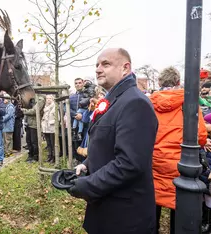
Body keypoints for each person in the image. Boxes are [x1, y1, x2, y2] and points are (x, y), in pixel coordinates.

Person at [67, 48, 158, 233]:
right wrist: (86, 165)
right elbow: (106, 144)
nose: (98, 69)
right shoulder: (115, 99)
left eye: (106, 64)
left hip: (125, 217)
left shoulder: (135, 103)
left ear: (126, 68)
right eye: (97, 65)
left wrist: (88, 185)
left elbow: (129, 163)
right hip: (107, 208)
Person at [150, 67, 207, 234]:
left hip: (154, 162)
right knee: (179, 206)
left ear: (160, 82)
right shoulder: (189, 102)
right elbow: (201, 136)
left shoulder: (149, 103)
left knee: (153, 204)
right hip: (180, 165)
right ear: (177, 81)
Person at [22, 95, 45, 163]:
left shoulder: (41, 99)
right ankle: (30, 155)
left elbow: (34, 111)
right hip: (29, 123)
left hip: (35, 124)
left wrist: (24, 111)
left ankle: (35, 157)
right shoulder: (32, 99)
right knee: (28, 141)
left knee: (34, 142)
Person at [41, 95, 56, 163]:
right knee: (48, 144)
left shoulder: (55, 107)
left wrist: (50, 122)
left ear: (52, 99)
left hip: (52, 129)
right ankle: (49, 156)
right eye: (47, 98)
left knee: (53, 144)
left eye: (50, 98)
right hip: (46, 128)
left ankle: (54, 157)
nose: (48, 100)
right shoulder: (45, 108)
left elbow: (57, 118)